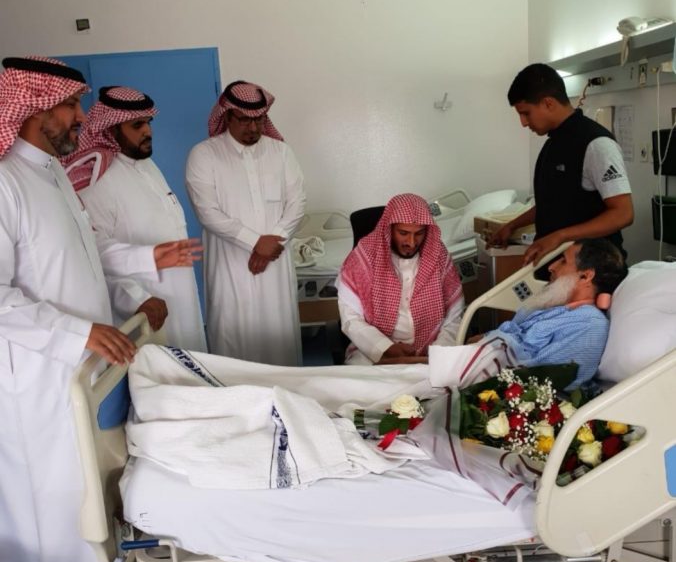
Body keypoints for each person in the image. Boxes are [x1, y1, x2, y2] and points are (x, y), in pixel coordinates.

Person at [0, 55, 180, 562]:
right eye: (71, 105)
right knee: (55, 498)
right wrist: (77, 332)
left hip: (86, 368)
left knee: (93, 489)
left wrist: (131, 298)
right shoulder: (6, 183)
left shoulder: (53, 175)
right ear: (33, 108)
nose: (82, 117)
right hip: (39, 377)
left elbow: (85, 265)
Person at [65, 86, 206, 351]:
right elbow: (93, 251)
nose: (148, 131)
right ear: (111, 129)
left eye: (148, 122)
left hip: (181, 296)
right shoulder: (96, 179)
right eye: (137, 125)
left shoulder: (147, 165)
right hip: (143, 301)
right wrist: (149, 257)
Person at [185, 80, 306, 365]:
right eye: (244, 120)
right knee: (234, 338)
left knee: (280, 335)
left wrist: (272, 241)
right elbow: (207, 212)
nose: (253, 128)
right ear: (227, 116)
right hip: (230, 265)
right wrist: (255, 242)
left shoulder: (281, 152)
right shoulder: (204, 154)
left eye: (259, 120)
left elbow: (297, 203)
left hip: (275, 263)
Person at [492, 63, 634, 265]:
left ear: (548, 103)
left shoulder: (596, 144)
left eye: (526, 113)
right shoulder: (554, 144)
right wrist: (512, 225)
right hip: (557, 265)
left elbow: (623, 213)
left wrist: (560, 236)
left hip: (592, 270)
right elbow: (553, 204)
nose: (523, 123)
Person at [456, 238, 628, 387]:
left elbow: (538, 377)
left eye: (563, 261)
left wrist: (485, 347)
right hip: (480, 365)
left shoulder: (590, 326)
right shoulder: (556, 307)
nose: (551, 267)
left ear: (586, 276)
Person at [337, 193, 465, 365]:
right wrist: (385, 348)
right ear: (389, 229)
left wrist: (439, 353)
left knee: (446, 379)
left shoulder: (438, 256)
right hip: (373, 350)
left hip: (430, 349)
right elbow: (351, 318)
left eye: (419, 233)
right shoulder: (364, 257)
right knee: (367, 380)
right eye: (403, 233)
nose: (411, 242)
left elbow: (454, 316)